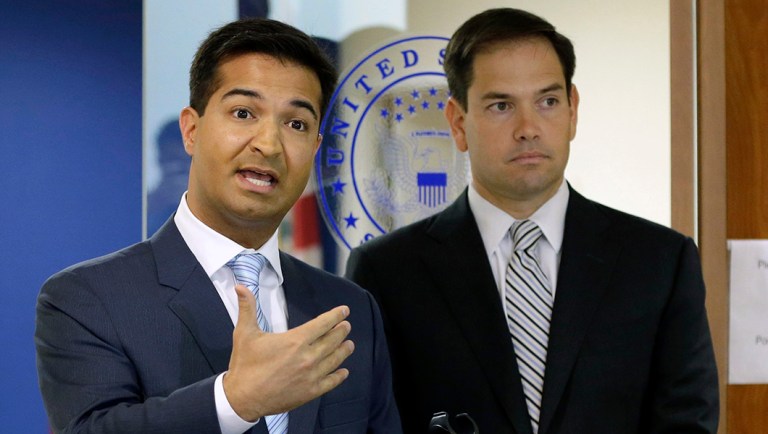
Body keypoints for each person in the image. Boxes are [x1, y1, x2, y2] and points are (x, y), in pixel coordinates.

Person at [346, 8, 718, 434]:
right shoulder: (387, 271)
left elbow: (687, 423)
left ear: (573, 110)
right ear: (458, 122)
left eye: (548, 101)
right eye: (501, 105)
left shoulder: (660, 262)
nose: (529, 127)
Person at [35, 18, 401, 434]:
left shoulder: (349, 310)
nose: (269, 143)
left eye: (296, 123)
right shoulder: (88, 298)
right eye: (243, 113)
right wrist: (235, 401)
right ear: (191, 130)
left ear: (316, 148)